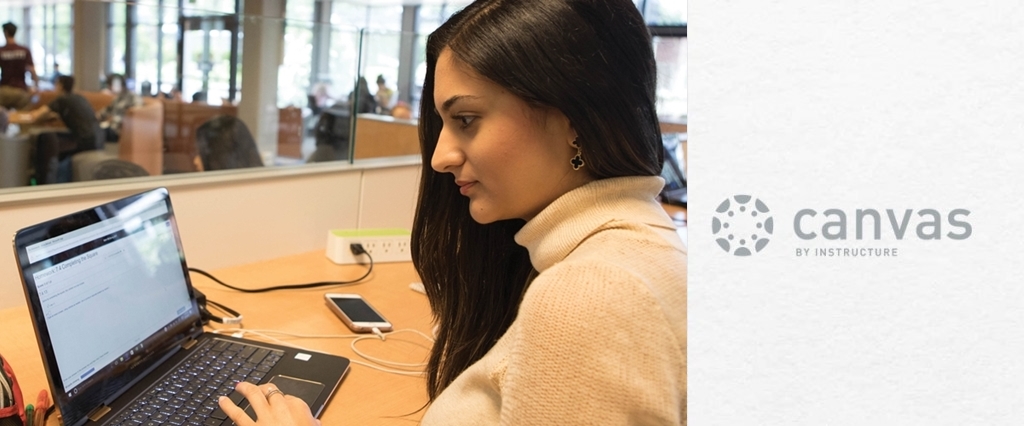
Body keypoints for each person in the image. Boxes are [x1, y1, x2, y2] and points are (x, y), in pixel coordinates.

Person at [220, 0, 686, 424]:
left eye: (466, 120)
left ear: (574, 119)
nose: (440, 156)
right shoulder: (637, 248)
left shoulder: (591, 295)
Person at [21, 75, 103, 184]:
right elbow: (93, 116)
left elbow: (37, 116)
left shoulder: (61, 99)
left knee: (45, 139)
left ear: (60, 86)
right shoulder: (79, 98)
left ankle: (46, 179)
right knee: (54, 139)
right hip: (99, 138)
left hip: (83, 141)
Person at [0, 22, 38, 110]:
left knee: (2, 119)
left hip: (4, 90)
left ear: (5, 33)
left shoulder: (1, 51)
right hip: (20, 90)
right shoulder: (24, 50)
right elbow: (32, 70)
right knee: (24, 117)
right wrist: (36, 86)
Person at [97, 73, 142, 142]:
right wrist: (97, 116)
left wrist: (114, 120)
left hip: (119, 131)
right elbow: (108, 110)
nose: (109, 87)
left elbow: (137, 114)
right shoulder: (117, 97)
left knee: (96, 133)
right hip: (111, 128)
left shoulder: (133, 97)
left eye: (111, 85)